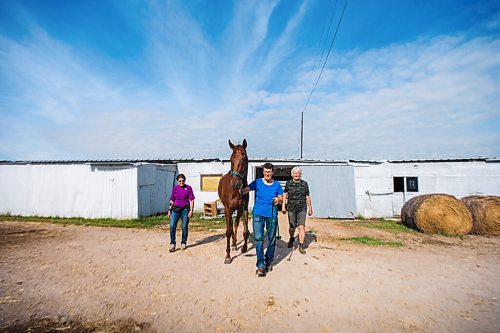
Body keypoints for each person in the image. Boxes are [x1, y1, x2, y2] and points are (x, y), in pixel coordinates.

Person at [241, 163, 283, 277]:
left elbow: (281, 198)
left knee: (272, 239)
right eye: (265, 172)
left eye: (269, 172)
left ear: (272, 172)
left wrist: (277, 200)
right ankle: (260, 264)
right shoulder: (257, 182)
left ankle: (268, 261)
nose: (267, 174)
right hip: (258, 214)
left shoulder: (277, 185)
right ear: (263, 172)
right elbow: (245, 190)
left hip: (272, 214)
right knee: (258, 240)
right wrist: (238, 188)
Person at [282, 166, 313, 255]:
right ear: (292, 174)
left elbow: (307, 196)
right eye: (295, 173)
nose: (296, 175)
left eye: (298, 173)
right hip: (291, 208)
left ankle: (301, 245)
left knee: (301, 227)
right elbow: (285, 195)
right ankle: (292, 238)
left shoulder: (304, 184)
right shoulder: (288, 183)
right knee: (292, 227)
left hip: (302, 208)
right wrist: (283, 206)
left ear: (300, 174)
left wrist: (310, 208)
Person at [167, 174, 195, 252]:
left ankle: (183, 242)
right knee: (172, 226)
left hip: (185, 209)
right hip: (175, 210)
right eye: (180, 181)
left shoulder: (188, 188)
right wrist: (169, 210)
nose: (181, 182)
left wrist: (191, 210)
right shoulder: (175, 188)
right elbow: (172, 200)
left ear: (185, 180)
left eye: (183, 181)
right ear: (177, 181)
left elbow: (191, 200)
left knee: (184, 226)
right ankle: (172, 244)